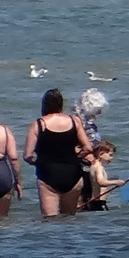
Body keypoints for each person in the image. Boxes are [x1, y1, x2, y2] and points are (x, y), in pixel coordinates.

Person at [24, 88, 92, 216]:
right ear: (61, 104)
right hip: (72, 172)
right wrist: (76, 157)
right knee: (69, 220)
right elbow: (88, 148)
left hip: (48, 174)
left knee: (50, 221)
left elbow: (27, 155)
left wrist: (38, 163)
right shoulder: (74, 121)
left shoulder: (38, 124)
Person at [80, 140, 120, 211]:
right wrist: (116, 182)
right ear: (101, 154)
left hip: (94, 201)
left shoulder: (94, 165)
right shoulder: (98, 167)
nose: (112, 158)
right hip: (98, 202)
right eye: (110, 155)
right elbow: (101, 182)